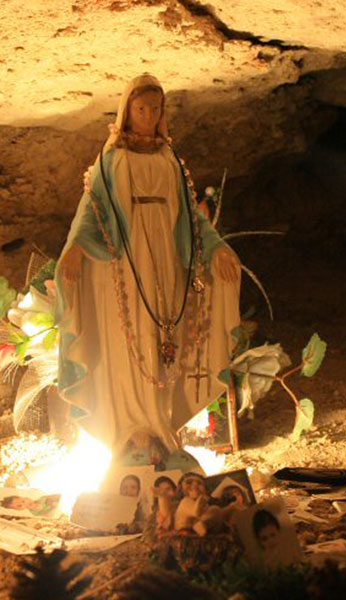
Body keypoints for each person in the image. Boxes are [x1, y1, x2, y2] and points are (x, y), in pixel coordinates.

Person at [54, 73, 241, 458]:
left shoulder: (169, 159)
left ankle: (159, 424)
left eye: (155, 109)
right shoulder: (111, 159)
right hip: (122, 266)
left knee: (162, 337)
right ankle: (129, 430)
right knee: (128, 342)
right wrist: (75, 249)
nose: (148, 115)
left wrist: (217, 247)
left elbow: (191, 215)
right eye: (141, 109)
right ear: (127, 111)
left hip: (165, 262)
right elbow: (93, 211)